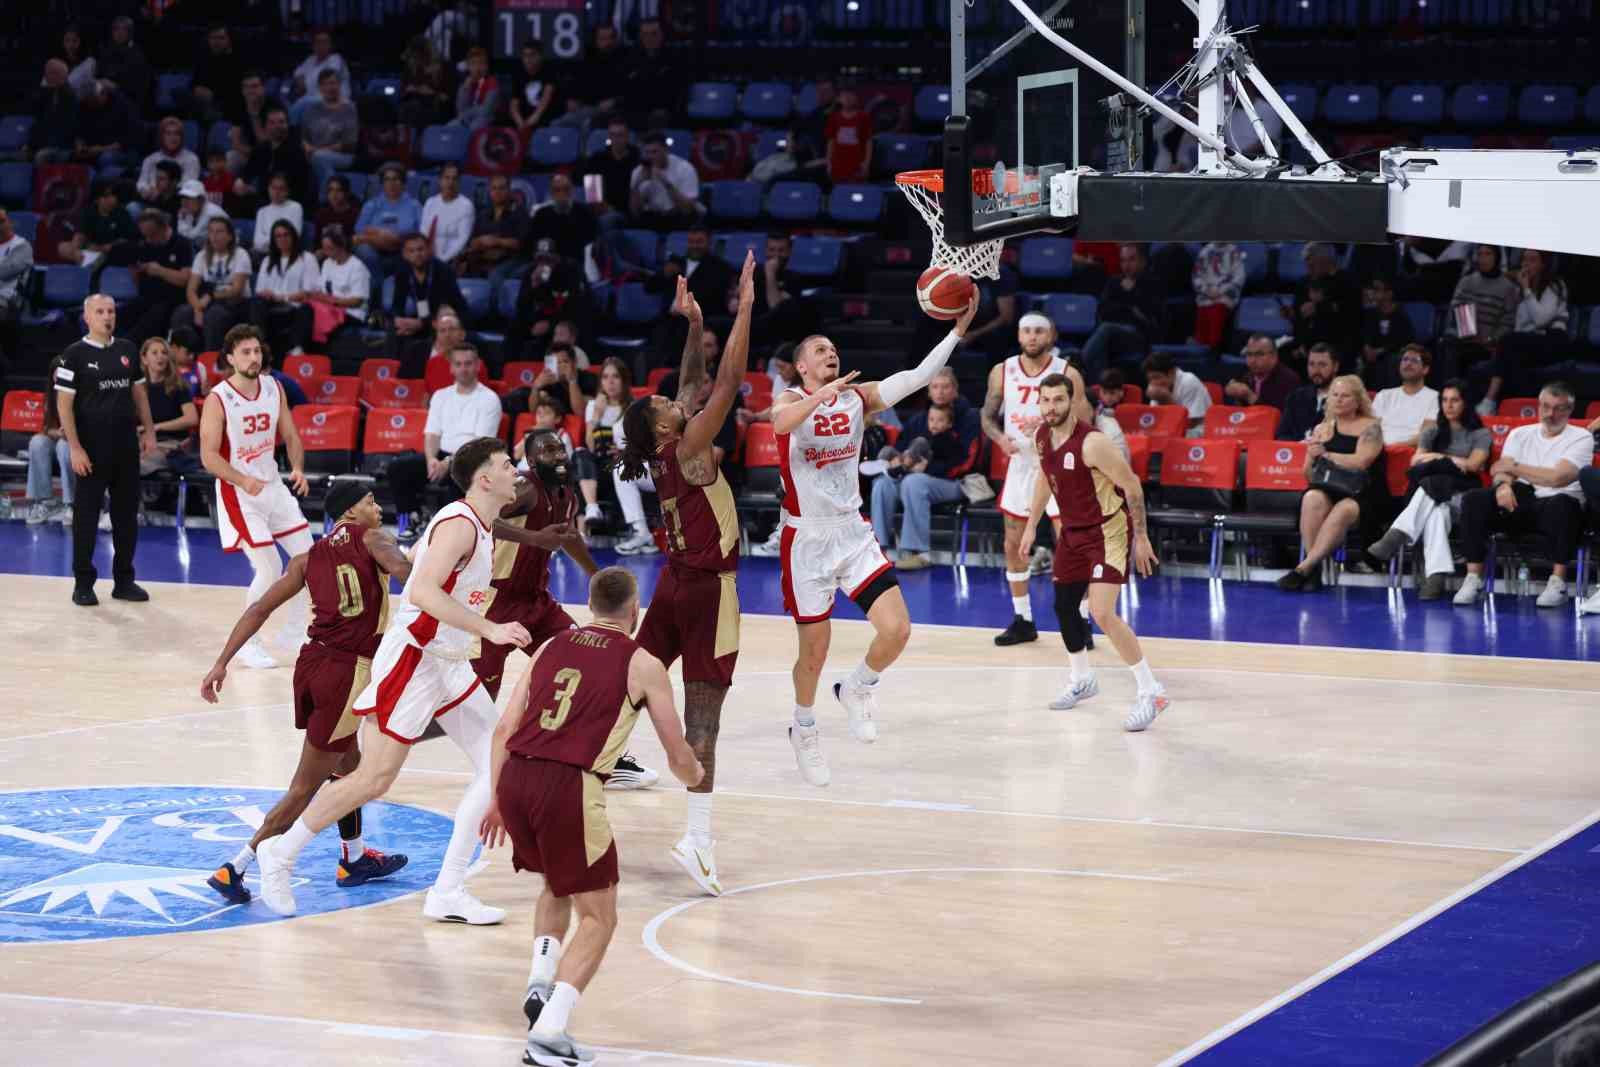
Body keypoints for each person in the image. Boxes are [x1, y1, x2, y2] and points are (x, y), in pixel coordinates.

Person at [252, 437, 531, 923]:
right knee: (373, 779)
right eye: (508, 465)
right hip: (415, 660)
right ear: (485, 478)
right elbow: (420, 591)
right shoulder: (460, 524)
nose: (516, 471)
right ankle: (279, 852)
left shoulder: (482, 525)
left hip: (446, 659)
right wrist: (489, 628)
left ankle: (447, 890)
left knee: (498, 759)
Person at [479, 567, 703, 1066]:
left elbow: (502, 732)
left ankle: (540, 979)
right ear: (634, 609)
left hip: (515, 778)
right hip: (569, 787)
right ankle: (549, 1034)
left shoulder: (549, 646)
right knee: (600, 918)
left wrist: (497, 799)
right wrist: (694, 776)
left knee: (556, 885)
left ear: (589, 604)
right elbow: (675, 750)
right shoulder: (643, 663)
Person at [773, 296, 979, 787]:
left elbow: (918, 376)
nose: (830, 354)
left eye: (833, 349)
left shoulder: (857, 398)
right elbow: (780, 424)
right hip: (806, 541)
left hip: (851, 532)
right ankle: (803, 727)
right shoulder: (787, 399)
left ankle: (858, 687)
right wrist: (818, 397)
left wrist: (956, 333)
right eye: (820, 350)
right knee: (813, 654)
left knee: (897, 630)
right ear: (801, 366)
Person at [198, 482, 412, 904]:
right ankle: (236, 865)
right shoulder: (373, 538)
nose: (378, 507)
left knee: (348, 767)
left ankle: (353, 860)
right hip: (348, 671)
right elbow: (406, 573)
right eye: (370, 501)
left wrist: (221, 662)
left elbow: (259, 609)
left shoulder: (306, 558)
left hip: (311, 665)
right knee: (306, 786)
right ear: (350, 512)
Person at [612, 263, 754, 893]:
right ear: (668, 427)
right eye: (671, 404)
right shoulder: (693, 449)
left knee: (631, 683)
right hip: (706, 593)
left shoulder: (666, 449)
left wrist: (696, 323)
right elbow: (724, 383)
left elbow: (695, 381)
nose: (679, 397)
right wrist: (744, 310)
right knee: (705, 719)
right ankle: (698, 841)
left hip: (671, 584)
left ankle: (599, 761)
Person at [1019, 373, 1169, 730]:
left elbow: (1132, 486)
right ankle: (1082, 678)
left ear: (1072, 402)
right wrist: (1030, 525)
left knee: (1101, 612)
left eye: (1058, 400)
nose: (1051, 407)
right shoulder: (1042, 437)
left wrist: (1143, 538)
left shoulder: (1093, 443)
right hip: (1072, 531)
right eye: (1046, 400)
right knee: (1064, 605)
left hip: (1107, 531)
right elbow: (1045, 479)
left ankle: (1152, 691)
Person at [199, 324, 314, 668]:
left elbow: (291, 434)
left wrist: (297, 467)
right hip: (240, 493)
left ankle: (294, 631)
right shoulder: (219, 398)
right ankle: (248, 643)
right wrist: (242, 479)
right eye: (245, 352)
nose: (253, 358)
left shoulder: (274, 387)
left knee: (309, 560)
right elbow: (209, 457)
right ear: (230, 357)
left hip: (273, 486)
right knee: (270, 567)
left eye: (256, 351)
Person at [55, 294, 156, 606]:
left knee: (126, 517)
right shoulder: (72, 355)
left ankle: (124, 581)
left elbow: (139, 394)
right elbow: (64, 406)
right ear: (87, 317)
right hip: (91, 449)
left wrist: (149, 430)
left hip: (125, 445)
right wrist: (75, 448)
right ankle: (83, 583)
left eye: (111, 311)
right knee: (86, 517)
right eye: (99, 311)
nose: (106, 316)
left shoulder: (127, 349)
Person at [1452, 383, 1593, 608]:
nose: (1550, 414)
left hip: (1558, 504)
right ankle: (1473, 577)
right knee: (1474, 499)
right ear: (1539, 406)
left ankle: (1558, 582)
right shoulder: (1520, 433)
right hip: (1521, 499)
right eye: (1545, 407)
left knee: (1563, 504)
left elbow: (1558, 478)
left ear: (1569, 411)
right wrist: (1502, 487)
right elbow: (1499, 470)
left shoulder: (1581, 437)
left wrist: (1515, 467)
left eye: (1558, 408)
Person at [982, 314, 1069, 644]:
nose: (1033, 337)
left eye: (1039, 331)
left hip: (1058, 465)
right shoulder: (1002, 370)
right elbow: (987, 416)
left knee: (1070, 544)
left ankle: (1079, 618)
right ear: (1019, 335)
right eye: (1027, 331)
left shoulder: (1065, 371)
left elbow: (1084, 418)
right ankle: (1023, 619)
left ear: (1051, 334)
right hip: (1020, 466)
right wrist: (998, 437)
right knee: (1013, 544)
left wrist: (1051, 429)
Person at [1367, 382, 1490, 599]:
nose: (1448, 405)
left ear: (1466, 403)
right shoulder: (1432, 432)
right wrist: (1451, 461)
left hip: (1464, 496)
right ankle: (1435, 577)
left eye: (1455, 400)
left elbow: (1473, 465)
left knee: (1433, 485)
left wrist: (1439, 457)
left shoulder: (1479, 434)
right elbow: (1416, 460)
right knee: (1437, 511)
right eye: (1444, 400)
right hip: (1434, 498)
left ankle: (1398, 533)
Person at [1275, 375, 1385, 592]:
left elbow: (1361, 462)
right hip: (1327, 488)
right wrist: (1313, 456)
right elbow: (1307, 475)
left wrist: (1327, 453)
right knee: (1311, 497)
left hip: (1362, 493)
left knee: (1343, 509)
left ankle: (1305, 567)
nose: (1338, 400)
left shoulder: (1371, 427)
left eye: (1345, 396)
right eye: (1334, 395)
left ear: (1358, 400)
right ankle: (1312, 570)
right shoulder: (1322, 429)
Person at [392, 343, 503, 541]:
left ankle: (454, 533)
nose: (463, 369)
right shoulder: (441, 396)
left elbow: (480, 445)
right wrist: (431, 460)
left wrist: (450, 463)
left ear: (477, 365)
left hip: (473, 460)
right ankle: (417, 517)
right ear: (451, 367)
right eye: (458, 364)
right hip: (442, 455)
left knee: (458, 480)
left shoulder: (489, 399)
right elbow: (432, 434)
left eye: (468, 364)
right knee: (399, 468)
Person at [870, 398, 981, 570]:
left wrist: (928, 468)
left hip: (952, 483)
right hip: (915, 479)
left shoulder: (953, 439)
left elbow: (960, 466)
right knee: (882, 484)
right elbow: (902, 449)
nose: (935, 424)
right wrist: (900, 462)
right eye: (932, 419)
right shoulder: (918, 431)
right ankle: (878, 547)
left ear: (950, 423)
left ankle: (915, 552)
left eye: (940, 420)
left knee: (913, 482)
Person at [1480, 249, 1570, 414]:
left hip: (1554, 341)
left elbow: (1541, 319)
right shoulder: (1519, 290)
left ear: (1543, 264)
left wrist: (1527, 289)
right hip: (1530, 342)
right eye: (1524, 260)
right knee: (1510, 355)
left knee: (1509, 344)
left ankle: (1490, 399)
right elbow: (1520, 327)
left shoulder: (1555, 285)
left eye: (1533, 260)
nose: (1526, 264)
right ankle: (1518, 409)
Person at [1081, 244, 1165, 382]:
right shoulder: (1114, 282)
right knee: (1104, 335)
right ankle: (1102, 388)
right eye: (1123, 260)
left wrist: (1130, 294)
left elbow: (1151, 315)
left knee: (1105, 329)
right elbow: (1104, 310)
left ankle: (1080, 361)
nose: (1126, 265)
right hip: (1113, 335)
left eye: (1131, 259)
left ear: (1143, 261)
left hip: (1140, 337)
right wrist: (1129, 309)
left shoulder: (1152, 282)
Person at [388, 232, 467, 373]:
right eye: (411, 251)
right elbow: (396, 305)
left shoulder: (443, 271)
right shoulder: (403, 271)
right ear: (404, 254)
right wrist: (399, 321)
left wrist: (422, 323)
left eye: (420, 249)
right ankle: (395, 376)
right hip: (420, 321)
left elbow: (451, 308)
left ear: (429, 250)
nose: (417, 254)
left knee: (437, 331)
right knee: (394, 332)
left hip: (444, 320)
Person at [1441, 244, 1519, 386]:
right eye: (1480, 254)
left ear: (1497, 258)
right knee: (1448, 344)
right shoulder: (1467, 281)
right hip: (1465, 338)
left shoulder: (1508, 287)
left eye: (1488, 254)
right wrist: (1470, 334)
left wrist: (1491, 338)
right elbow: (1457, 308)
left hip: (1489, 343)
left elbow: (1508, 322)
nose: (1483, 258)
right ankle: (1449, 390)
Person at [176, 216, 252, 350]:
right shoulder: (202, 255)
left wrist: (210, 297)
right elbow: (191, 289)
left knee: (214, 315)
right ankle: (183, 357)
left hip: (234, 303)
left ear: (230, 236)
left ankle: (211, 360)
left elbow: (237, 289)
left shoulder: (241, 254)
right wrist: (197, 308)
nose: (214, 236)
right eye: (211, 231)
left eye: (219, 231)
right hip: (205, 302)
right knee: (183, 312)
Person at [575, 357, 630, 527]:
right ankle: (592, 509)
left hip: (621, 464)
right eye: (605, 377)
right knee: (580, 453)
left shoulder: (633, 408)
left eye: (615, 377)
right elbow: (591, 445)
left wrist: (623, 451)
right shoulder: (593, 406)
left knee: (579, 476)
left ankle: (583, 529)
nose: (610, 382)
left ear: (624, 380)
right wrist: (597, 414)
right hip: (597, 463)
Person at [251, 220, 319, 358]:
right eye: (278, 236)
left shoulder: (307, 258)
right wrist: (267, 294)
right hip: (271, 306)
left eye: (286, 235)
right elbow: (259, 290)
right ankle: (261, 346)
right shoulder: (267, 260)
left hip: (295, 308)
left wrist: (282, 297)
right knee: (255, 303)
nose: (282, 239)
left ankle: (296, 350)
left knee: (306, 309)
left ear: (293, 236)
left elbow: (310, 292)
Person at [126, 209, 192, 345]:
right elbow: (136, 275)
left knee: (151, 319)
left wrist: (160, 271)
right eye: (145, 235)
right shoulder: (144, 244)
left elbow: (185, 280)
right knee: (120, 313)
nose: (148, 239)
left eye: (152, 235)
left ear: (164, 228)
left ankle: (128, 347)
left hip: (172, 299)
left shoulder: (182, 244)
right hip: (146, 297)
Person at [25, 353, 76, 524]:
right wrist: (60, 433)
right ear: (53, 375)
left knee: (64, 445)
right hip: (60, 439)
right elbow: (47, 428)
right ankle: (45, 502)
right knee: (37, 442)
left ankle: (72, 504)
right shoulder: (51, 396)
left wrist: (69, 434)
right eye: (58, 372)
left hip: (80, 445)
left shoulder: (83, 395)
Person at [136, 336, 198, 474]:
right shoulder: (138, 389)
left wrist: (156, 428)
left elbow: (192, 418)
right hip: (143, 444)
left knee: (136, 465)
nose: (161, 357)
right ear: (144, 359)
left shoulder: (178, 386)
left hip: (171, 444)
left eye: (164, 353)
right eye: (155, 353)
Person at [354, 164, 423, 278]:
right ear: (382, 183)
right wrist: (380, 235)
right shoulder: (372, 204)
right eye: (387, 180)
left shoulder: (414, 205)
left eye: (395, 179)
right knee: (365, 251)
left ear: (403, 183)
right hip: (374, 247)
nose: (391, 183)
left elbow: (419, 232)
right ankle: (377, 290)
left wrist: (395, 239)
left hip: (403, 248)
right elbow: (359, 230)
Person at [460, 174, 530, 285]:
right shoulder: (483, 214)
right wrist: (480, 241)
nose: (497, 192)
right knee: (460, 268)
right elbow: (472, 241)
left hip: (511, 259)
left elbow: (522, 243)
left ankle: (495, 303)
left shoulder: (519, 213)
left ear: (509, 190)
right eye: (494, 188)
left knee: (495, 276)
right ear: (489, 191)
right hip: (484, 257)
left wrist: (497, 241)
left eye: (502, 188)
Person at [1372, 344, 1439, 445]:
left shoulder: (1435, 397)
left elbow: (1426, 435)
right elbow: (1372, 429)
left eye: (1414, 361)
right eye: (1405, 359)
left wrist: (1395, 448)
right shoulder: (1384, 395)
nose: (1408, 364)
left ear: (1425, 369)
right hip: (1378, 450)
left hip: (1411, 451)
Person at [629, 130, 702, 223]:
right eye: (647, 152)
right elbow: (635, 212)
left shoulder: (685, 168)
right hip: (655, 217)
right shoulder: (639, 171)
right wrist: (636, 186)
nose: (650, 156)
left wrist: (666, 183)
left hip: (680, 216)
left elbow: (687, 210)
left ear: (666, 150)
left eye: (654, 152)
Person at [526, 173, 597, 265]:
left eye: (566, 189)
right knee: (533, 275)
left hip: (574, 263)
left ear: (572, 190)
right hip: (545, 263)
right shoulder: (541, 214)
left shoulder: (584, 212)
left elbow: (591, 243)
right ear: (551, 193)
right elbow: (531, 243)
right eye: (557, 190)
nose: (562, 194)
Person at [1359, 277, 1415, 388]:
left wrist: (1380, 351)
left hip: (1392, 353)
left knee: (1392, 361)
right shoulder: (1371, 314)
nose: (1372, 294)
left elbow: (1402, 341)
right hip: (1374, 354)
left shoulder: (1400, 315)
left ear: (1389, 294)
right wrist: (1366, 347)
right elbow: (1366, 334)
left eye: (1377, 290)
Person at [1277, 342, 1339, 442]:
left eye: (1322, 365)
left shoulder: (1345, 399)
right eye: (1311, 364)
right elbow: (1282, 435)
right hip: (1296, 453)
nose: (1316, 370)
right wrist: (1300, 444)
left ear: (1335, 366)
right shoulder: (1296, 397)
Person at [1142, 350, 1212, 435]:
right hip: (1170, 430)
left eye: (1157, 377)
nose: (1153, 383)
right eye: (1150, 379)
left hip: (1198, 430)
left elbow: (1192, 423)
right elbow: (1156, 421)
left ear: (1172, 373)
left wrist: (1166, 400)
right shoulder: (1155, 386)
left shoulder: (1189, 381)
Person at [1225, 333, 1302, 410]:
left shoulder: (1289, 380)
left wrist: (1250, 396)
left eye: (1259, 354)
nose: (1252, 360)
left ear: (1274, 356)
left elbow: (1279, 417)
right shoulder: (1246, 373)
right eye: (1249, 354)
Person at [1190, 241, 1245, 349]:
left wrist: (1221, 291)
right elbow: (1197, 276)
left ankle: (1213, 347)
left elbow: (1239, 277)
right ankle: (1200, 346)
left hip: (1225, 294)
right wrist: (1206, 290)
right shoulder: (1205, 252)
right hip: (1207, 294)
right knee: (1204, 309)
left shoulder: (1234, 252)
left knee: (1217, 308)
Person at [421, 162, 476, 266]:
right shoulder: (430, 202)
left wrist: (442, 260)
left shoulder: (466, 205)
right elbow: (423, 232)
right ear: (440, 180)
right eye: (447, 178)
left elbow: (462, 239)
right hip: (428, 256)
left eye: (454, 179)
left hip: (453, 259)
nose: (450, 182)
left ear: (459, 182)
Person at [137, 118, 203, 202]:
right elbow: (141, 183)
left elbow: (187, 186)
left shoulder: (191, 159)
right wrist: (147, 191)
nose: (173, 138)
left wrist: (162, 192)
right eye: (168, 134)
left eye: (177, 134)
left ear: (181, 137)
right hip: (150, 199)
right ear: (161, 137)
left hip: (177, 202)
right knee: (133, 207)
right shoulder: (150, 159)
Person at [509, 41, 561, 133]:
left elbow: (545, 100)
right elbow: (514, 105)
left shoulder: (549, 71)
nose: (528, 59)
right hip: (524, 119)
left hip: (545, 117)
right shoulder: (518, 73)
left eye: (532, 55)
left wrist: (530, 122)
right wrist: (520, 122)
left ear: (540, 56)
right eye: (525, 55)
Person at [824, 86, 873, 183]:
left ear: (856, 98)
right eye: (844, 96)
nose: (847, 99)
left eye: (850, 96)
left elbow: (868, 142)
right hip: (838, 163)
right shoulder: (833, 117)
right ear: (839, 99)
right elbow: (831, 142)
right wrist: (829, 163)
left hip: (857, 163)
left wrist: (866, 163)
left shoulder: (863, 117)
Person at [289, 29, 352, 104]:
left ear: (331, 45)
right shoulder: (311, 59)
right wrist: (301, 82)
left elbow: (323, 80)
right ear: (313, 45)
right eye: (318, 42)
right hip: (313, 100)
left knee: (301, 103)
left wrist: (304, 83)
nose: (321, 45)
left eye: (324, 42)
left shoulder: (337, 59)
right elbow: (297, 73)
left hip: (337, 102)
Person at [251, 173, 305, 256]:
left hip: (289, 254)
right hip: (266, 255)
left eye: (281, 188)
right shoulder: (262, 212)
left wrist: (268, 240)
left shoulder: (295, 207)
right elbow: (257, 243)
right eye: (273, 188)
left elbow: (294, 236)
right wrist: (280, 239)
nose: (276, 192)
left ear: (287, 191)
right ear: (268, 189)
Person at [452, 47, 500, 131]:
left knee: (474, 127)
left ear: (486, 66)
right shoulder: (465, 83)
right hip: (467, 120)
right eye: (473, 64)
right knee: (450, 128)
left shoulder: (492, 82)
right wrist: (466, 88)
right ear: (468, 66)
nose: (477, 68)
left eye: (481, 63)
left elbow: (486, 110)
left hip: (487, 121)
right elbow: (460, 110)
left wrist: (466, 114)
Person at [175, 179, 229, 247]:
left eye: (189, 198)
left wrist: (182, 220)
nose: (184, 202)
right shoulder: (189, 212)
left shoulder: (212, 213)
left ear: (201, 199)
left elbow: (191, 238)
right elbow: (182, 237)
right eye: (183, 198)